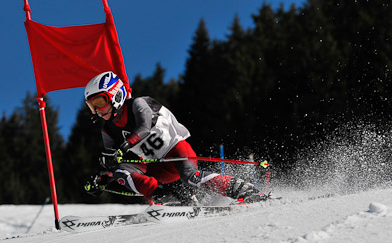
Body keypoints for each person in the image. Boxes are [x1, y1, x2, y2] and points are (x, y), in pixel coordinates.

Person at [83, 71, 268, 205]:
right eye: (92, 107)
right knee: (120, 171)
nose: (97, 110)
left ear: (115, 95)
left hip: (176, 150)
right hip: (155, 165)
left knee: (191, 177)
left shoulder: (138, 104)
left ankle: (245, 191)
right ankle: (169, 198)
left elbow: (144, 128)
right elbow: (119, 162)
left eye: (100, 102)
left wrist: (122, 148)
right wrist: (104, 178)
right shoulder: (108, 130)